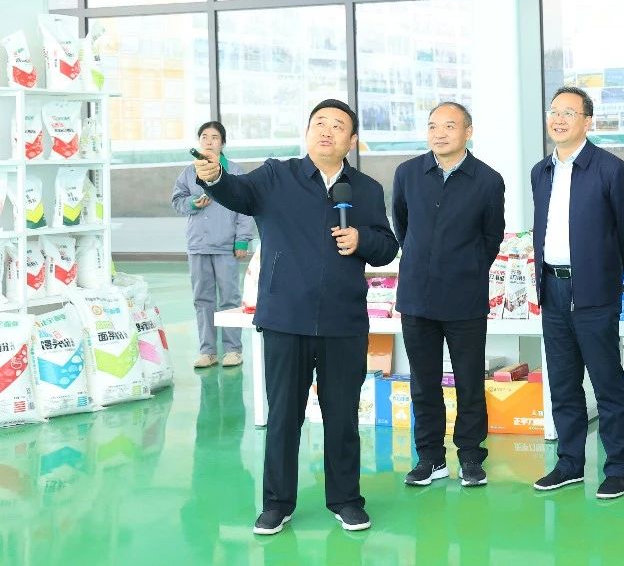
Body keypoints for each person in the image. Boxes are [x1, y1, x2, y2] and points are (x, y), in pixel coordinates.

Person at [194, 99, 399, 536]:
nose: (327, 130)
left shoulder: (364, 190)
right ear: (307, 132)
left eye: (338, 126)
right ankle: (277, 504)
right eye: (319, 123)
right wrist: (214, 177)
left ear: (351, 140)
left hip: (343, 322)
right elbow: (237, 192)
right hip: (286, 319)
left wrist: (361, 239)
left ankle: (346, 500)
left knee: (342, 417)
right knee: (284, 416)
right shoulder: (276, 175)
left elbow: (387, 247)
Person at [530, 86, 624, 500]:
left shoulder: (610, 169)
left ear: (588, 121)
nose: (558, 119)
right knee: (563, 382)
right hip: (552, 287)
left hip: (594, 290)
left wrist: (600, 270)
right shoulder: (540, 171)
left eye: (569, 112)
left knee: (606, 382)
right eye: (554, 111)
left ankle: (618, 468)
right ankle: (569, 464)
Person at [392, 102, 505, 490]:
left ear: (467, 132)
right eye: (432, 126)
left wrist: (466, 267)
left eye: (449, 126)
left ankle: (471, 457)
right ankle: (430, 458)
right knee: (423, 383)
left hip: (465, 297)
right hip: (416, 297)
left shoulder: (488, 180)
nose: (439, 133)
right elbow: (402, 226)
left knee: (469, 382)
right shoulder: (407, 173)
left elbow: (491, 237)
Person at [171, 120, 254, 368]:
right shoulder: (188, 173)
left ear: (222, 143)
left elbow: (246, 208)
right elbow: (177, 200)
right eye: (204, 137)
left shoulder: (235, 172)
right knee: (202, 299)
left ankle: (232, 350)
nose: (209, 141)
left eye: (214, 137)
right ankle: (207, 351)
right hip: (198, 245)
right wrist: (192, 203)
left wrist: (243, 239)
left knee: (229, 298)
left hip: (226, 246)